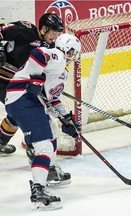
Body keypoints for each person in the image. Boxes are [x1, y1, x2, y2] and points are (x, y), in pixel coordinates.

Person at [5, 33, 81, 210]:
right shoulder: (57, 56)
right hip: (23, 99)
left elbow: (52, 99)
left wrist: (66, 118)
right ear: (66, 49)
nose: (73, 57)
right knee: (44, 146)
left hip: (26, 101)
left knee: (52, 128)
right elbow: (38, 54)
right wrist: (35, 77)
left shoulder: (61, 72)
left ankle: (50, 171)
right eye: (72, 52)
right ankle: (38, 193)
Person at [0, 13, 72, 186]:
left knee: (19, 115)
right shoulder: (25, 30)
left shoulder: (51, 47)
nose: (54, 36)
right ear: (43, 28)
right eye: (52, 32)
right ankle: (41, 162)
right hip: (4, 76)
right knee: (32, 118)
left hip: (17, 83)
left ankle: (2, 141)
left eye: (57, 33)